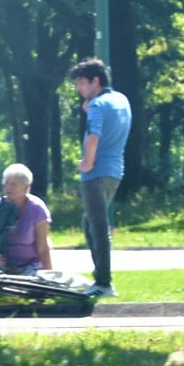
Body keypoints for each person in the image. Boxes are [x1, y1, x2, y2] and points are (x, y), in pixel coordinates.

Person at [70, 58, 130, 298]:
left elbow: (94, 136)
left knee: (97, 226)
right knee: (90, 222)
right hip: (115, 172)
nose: (78, 88)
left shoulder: (97, 105)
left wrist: (87, 163)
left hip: (95, 173)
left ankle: (103, 283)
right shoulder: (121, 100)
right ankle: (101, 276)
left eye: (82, 82)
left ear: (96, 81)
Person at [0, 163, 53, 274]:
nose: (8, 188)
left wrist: (49, 275)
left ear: (26, 188)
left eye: (13, 184)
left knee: (30, 285)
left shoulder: (37, 208)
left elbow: (43, 248)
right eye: (6, 183)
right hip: (3, 262)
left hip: (30, 264)